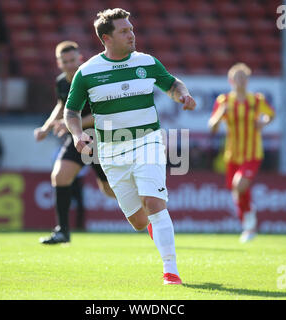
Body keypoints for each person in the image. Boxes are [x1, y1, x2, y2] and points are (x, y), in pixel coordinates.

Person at [63, 8, 196, 285]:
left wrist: (182, 94)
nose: (131, 34)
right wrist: (77, 134)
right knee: (138, 220)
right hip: (111, 152)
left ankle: (171, 270)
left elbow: (172, 84)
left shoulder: (146, 62)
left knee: (154, 203)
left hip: (148, 141)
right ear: (106, 38)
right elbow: (71, 111)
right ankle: (154, 231)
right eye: (124, 31)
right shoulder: (87, 72)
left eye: (131, 29)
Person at [34, 41, 115, 245]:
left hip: (100, 138)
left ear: (80, 59)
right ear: (59, 63)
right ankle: (62, 232)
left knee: (109, 189)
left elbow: (100, 116)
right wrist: (46, 127)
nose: (70, 65)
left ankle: (149, 211)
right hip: (78, 138)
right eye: (65, 61)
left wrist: (67, 122)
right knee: (60, 176)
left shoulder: (91, 79)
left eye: (73, 60)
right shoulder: (61, 82)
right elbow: (62, 104)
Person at [208, 63, 275, 243]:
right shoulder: (224, 101)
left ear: (248, 80)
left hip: (252, 153)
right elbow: (212, 127)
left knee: (240, 185)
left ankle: (250, 219)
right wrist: (220, 114)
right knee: (237, 192)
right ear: (231, 81)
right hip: (232, 154)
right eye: (237, 78)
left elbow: (271, 114)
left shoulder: (257, 100)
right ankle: (249, 224)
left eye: (244, 78)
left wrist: (263, 122)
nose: (241, 81)